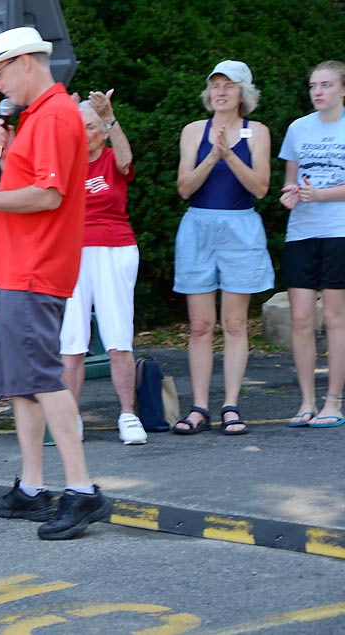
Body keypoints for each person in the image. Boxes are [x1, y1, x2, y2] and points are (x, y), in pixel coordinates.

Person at [0, 26, 111, 541]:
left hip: (37, 268)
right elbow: (32, 188)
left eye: (0, 72)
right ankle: (33, 488)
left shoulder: (55, 116)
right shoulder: (41, 117)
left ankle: (81, 490)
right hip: (24, 267)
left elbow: (49, 196)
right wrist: (2, 161)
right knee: (23, 382)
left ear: (26, 62)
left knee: (40, 378)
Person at [174, 60, 273, 436]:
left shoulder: (257, 132)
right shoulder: (193, 131)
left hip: (241, 229)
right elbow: (184, 187)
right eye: (215, 85)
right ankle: (199, 407)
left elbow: (260, 188)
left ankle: (230, 405)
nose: (220, 92)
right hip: (198, 226)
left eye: (228, 86)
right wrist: (212, 155)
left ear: (243, 93)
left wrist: (229, 155)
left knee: (233, 323)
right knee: (200, 325)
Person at [59, 90, 147, 445]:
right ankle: (71, 418)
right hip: (72, 253)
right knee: (72, 341)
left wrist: (110, 116)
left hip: (115, 248)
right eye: (80, 128)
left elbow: (127, 161)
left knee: (118, 338)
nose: (86, 134)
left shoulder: (112, 158)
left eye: (92, 127)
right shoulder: (64, 162)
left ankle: (128, 415)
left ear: (104, 130)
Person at [279, 60, 345, 428]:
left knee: (335, 319)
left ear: (342, 89)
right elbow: (292, 182)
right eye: (313, 85)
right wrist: (291, 196)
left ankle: (333, 400)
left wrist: (320, 195)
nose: (318, 91)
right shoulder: (297, 128)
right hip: (301, 232)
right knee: (301, 318)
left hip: (340, 231)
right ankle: (306, 401)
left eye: (326, 85)